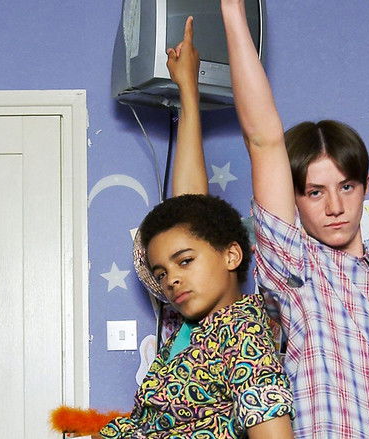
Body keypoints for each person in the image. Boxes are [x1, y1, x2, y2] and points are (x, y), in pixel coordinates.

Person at [220, 1, 369, 438]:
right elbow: (263, 140)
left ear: (365, 186)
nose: (334, 206)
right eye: (315, 192)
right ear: (295, 199)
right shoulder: (295, 266)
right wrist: (233, 13)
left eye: (346, 187)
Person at [99, 17, 294, 439]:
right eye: (161, 273)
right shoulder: (188, 330)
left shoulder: (241, 331)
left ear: (231, 254)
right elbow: (190, 211)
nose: (171, 280)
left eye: (185, 262)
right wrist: (187, 89)